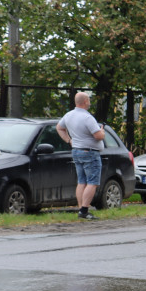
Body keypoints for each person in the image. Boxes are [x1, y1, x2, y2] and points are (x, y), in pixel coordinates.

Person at [56, 92, 106, 220]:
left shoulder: (69, 115)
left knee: (81, 181)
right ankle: (84, 210)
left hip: (77, 151)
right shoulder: (87, 118)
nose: (89, 102)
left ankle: (81, 208)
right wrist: (102, 132)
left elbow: (59, 128)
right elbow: (98, 136)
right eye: (89, 100)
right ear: (85, 102)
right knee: (92, 182)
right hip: (89, 152)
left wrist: (69, 140)